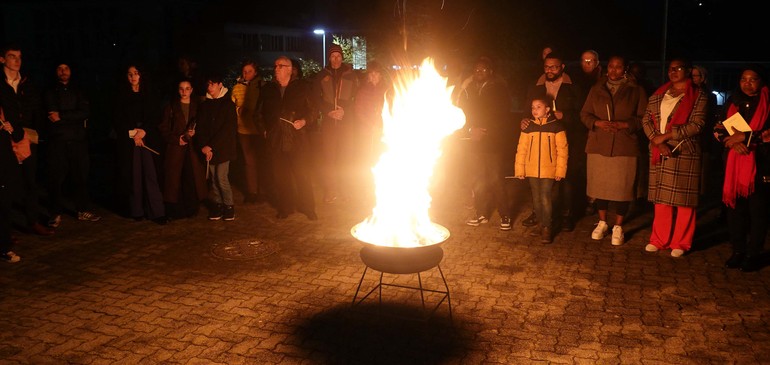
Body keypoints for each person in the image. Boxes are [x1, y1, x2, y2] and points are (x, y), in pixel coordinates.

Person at [641, 57, 708, 257]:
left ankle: (681, 242)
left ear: (688, 70)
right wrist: (657, 141)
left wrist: (668, 136)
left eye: (678, 68)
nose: (674, 71)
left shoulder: (698, 96)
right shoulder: (658, 95)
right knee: (661, 198)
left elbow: (697, 124)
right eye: (671, 68)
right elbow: (646, 120)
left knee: (684, 200)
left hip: (683, 151)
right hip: (659, 150)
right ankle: (659, 239)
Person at [580, 55, 648, 246]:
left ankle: (618, 225)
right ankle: (602, 222)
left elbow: (644, 117)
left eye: (618, 67)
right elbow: (584, 114)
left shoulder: (636, 90)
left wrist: (625, 124)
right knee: (600, 186)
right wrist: (596, 123)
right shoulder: (597, 88)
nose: (614, 70)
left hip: (623, 145)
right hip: (599, 144)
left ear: (625, 69)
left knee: (622, 188)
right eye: (611, 66)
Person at [714, 65, 770, 272]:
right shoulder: (732, 101)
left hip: (761, 164)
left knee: (758, 212)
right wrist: (731, 142)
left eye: (752, 79)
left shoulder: (767, 102)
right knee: (735, 211)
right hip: (734, 164)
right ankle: (738, 250)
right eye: (743, 79)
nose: (747, 83)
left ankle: (754, 253)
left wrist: (746, 138)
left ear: (761, 81)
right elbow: (719, 127)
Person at [523, 51, 585, 232]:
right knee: (539, 179)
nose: (550, 70)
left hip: (568, 139)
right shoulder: (536, 86)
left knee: (565, 179)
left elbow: (583, 113)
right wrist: (524, 119)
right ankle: (539, 213)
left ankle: (566, 215)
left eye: (554, 67)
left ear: (562, 67)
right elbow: (527, 109)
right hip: (542, 142)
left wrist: (565, 115)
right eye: (547, 66)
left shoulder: (573, 87)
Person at [0, 44, 54, 236]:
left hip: (27, 138)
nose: (16, 60)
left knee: (30, 182)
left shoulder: (27, 83)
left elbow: (36, 109)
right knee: (6, 185)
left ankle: (32, 221)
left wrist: (36, 133)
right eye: (12, 56)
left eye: (19, 57)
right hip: (5, 140)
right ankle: (6, 232)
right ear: (2, 59)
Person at [457, 56, 513, 230]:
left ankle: (505, 215)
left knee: (496, 178)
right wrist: (470, 130)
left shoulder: (499, 89)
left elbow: (502, 115)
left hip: (493, 141)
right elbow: (462, 113)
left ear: (490, 71)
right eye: (476, 69)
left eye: (482, 70)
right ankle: (481, 213)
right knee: (478, 178)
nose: (478, 72)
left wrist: (485, 130)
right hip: (474, 142)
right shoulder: (468, 90)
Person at [259, 56, 317, 220]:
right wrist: (264, 130)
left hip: (297, 140)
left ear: (290, 70)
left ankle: (308, 207)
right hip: (276, 140)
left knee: (302, 175)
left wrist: (304, 121)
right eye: (275, 65)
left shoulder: (302, 88)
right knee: (281, 176)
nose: (276, 68)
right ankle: (286, 207)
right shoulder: (268, 89)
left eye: (280, 66)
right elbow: (258, 114)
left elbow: (313, 111)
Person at [43, 62, 101, 228]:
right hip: (57, 140)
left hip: (78, 140)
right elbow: (51, 114)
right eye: (60, 68)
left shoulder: (79, 90)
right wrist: (72, 116)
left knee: (80, 176)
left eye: (66, 68)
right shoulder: (50, 91)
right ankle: (55, 212)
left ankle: (82, 209)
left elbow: (84, 112)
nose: (63, 71)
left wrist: (62, 115)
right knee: (55, 178)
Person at [113, 64, 167, 224]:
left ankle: (157, 211)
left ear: (141, 75)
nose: (133, 77)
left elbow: (156, 115)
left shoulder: (150, 94)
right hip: (130, 140)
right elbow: (118, 119)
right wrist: (133, 134)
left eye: (136, 73)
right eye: (129, 74)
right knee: (134, 174)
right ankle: (137, 210)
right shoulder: (121, 95)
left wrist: (144, 131)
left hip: (148, 138)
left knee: (151, 174)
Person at [514, 95, 568, 243]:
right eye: (533, 107)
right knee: (536, 199)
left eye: (539, 107)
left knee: (545, 198)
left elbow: (562, 151)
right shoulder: (528, 127)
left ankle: (547, 228)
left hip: (549, 170)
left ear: (547, 109)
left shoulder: (556, 126)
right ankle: (540, 223)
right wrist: (520, 170)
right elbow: (522, 149)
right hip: (532, 169)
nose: (535, 110)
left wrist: (559, 171)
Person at [312, 43, 358, 203]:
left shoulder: (351, 75)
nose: (336, 59)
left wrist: (343, 110)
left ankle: (346, 190)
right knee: (329, 158)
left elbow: (355, 98)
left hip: (346, 123)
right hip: (329, 123)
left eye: (338, 56)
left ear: (342, 57)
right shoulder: (321, 76)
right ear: (329, 58)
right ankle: (331, 191)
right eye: (333, 56)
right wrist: (328, 111)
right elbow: (316, 98)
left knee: (346, 158)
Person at [158, 78, 207, 219]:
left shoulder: (198, 106)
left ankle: (192, 208)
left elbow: (204, 126)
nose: (184, 91)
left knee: (191, 178)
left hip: (193, 150)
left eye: (187, 88)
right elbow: (163, 128)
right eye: (181, 88)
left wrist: (195, 133)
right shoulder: (171, 107)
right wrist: (176, 139)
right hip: (176, 149)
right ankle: (176, 210)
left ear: (191, 90)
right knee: (175, 180)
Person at [195, 73, 238, 221]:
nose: (210, 87)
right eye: (208, 84)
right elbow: (200, 127)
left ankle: (229, 206)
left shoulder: (228, 105)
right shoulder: (204, 105)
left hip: (223, 148)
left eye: (212, 84)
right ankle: (218, 205)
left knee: (221, 177)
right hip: (208, 149)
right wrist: (203, 146)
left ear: (220, 84)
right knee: (213, 178)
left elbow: (228, 129)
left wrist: (211, 146)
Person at [353, 60, 390, 203]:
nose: (374, 76)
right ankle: (367, 189)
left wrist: (382, 125)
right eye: (371, 73)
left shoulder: (386, 90)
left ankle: (383, 188)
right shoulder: (363, 91)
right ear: (368, 75)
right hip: (367, 132)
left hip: (382, 131)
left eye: (376, 73)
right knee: (367, 159)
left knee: (382, 158)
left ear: (380, 75)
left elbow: (390, 107)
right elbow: (358, 110)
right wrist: (370, 124)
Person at [231, 60, 267, 204]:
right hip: (244, 130)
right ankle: (252, 192)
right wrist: (238, 110)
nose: (246, 74)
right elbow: (232, 106)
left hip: (258, 129)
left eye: (249, 71)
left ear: (256, 72)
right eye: (244, 71)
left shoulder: (261, 87)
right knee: (249, 161)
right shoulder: (237, 88)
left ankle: (263, 190)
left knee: (262, 160)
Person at [1, 106, 23, 262]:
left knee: (4, 207)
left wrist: (11, 128)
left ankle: (4, 247)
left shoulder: (6, 110)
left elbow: (19, 134)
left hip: (5, 165)